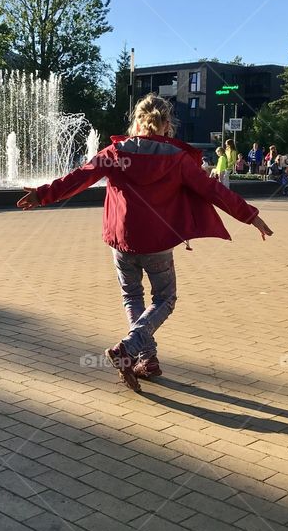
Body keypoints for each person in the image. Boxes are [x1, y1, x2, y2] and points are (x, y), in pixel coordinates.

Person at [16, 94, 272, 390]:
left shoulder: (114, 153)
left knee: (132, 297)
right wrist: (250, 215)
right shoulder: (177, 160)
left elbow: (79, 178)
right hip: (158, 242)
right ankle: (129, 349)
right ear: (166, 125)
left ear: (137, 121)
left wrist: (42, 194)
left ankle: (146, 359)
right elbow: (214, 190)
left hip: (122, 240)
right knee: (165, 299)